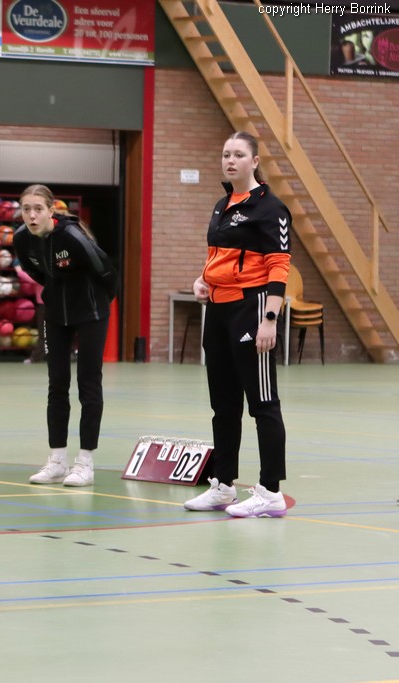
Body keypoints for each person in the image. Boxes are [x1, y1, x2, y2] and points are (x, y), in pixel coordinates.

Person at [183, 131, 291, 518]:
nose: (230, 160)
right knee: (223, 405)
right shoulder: (222, 204)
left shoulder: (271, 208)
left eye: (239, 155)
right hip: (218, 310)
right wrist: (203, 280)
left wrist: (269, 319)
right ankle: (223, 485)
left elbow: (279, 266)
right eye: (226, 154)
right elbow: (219, 256)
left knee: (262, 404)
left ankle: (271, 492)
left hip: (252, 308)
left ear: (254, 162)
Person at [13, 187, 118, 488]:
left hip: (91, 312)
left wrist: (99, 302)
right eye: (26, 209)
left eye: (38, 209)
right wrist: (56, 290)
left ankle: (85, 463)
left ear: (51, 210)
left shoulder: (72, 236)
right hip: (56, 316)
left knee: (88, 382)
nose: (32, 215)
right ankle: (57, 461)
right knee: (57, 384)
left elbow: (106, 272)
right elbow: (35, 271)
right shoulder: (22, 238)